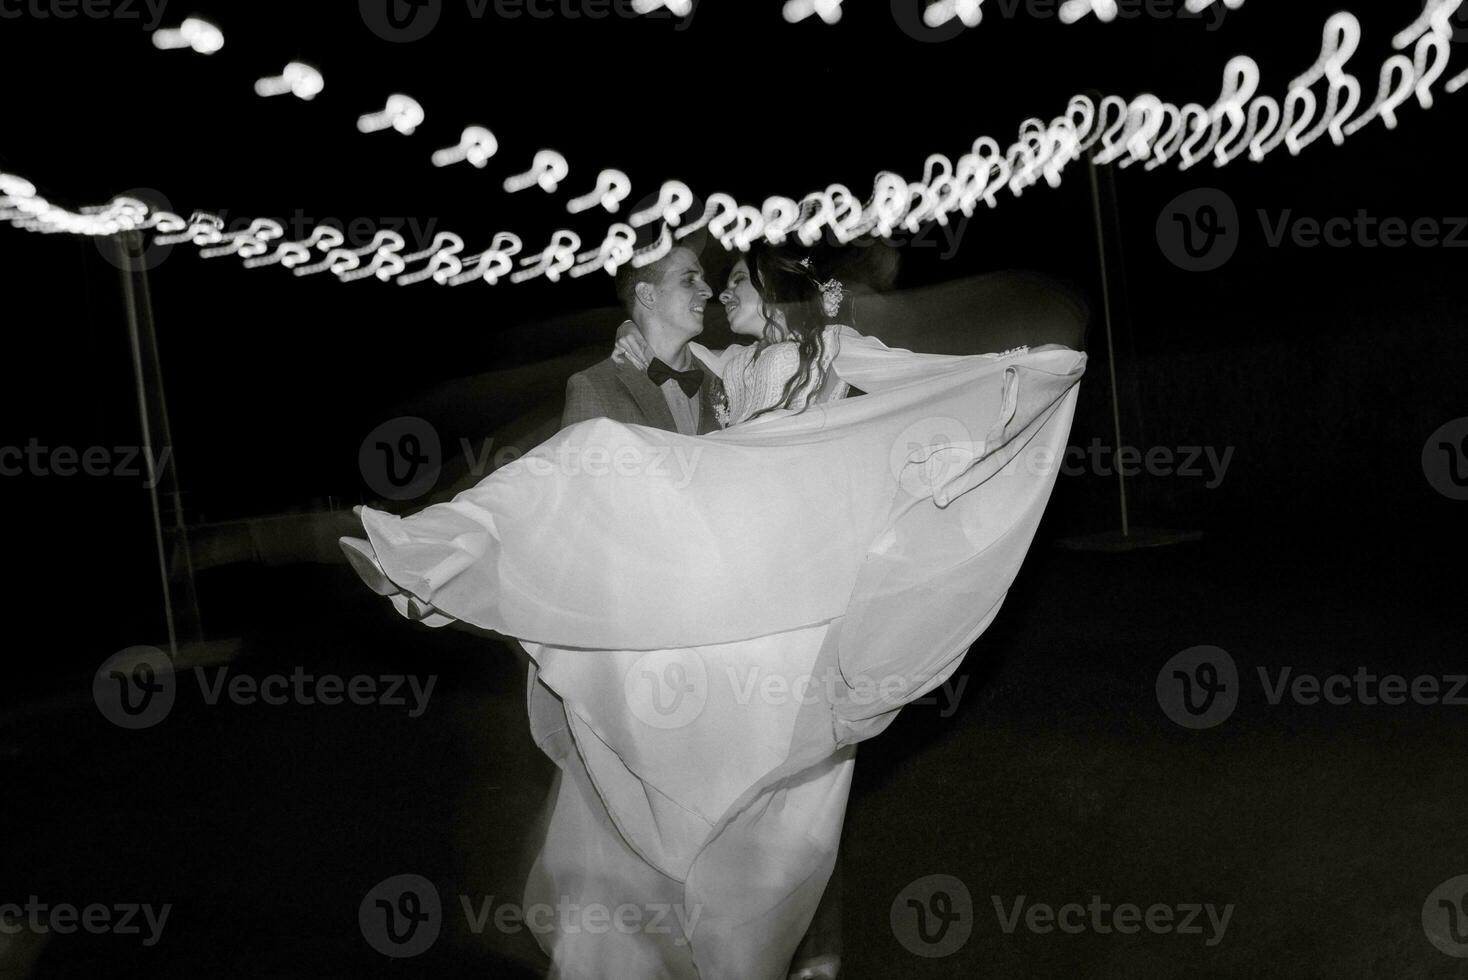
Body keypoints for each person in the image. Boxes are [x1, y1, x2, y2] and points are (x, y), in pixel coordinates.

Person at [340, 241, 1088, 979]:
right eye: (702, 280)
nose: (719, 295)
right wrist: (632, 347)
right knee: (719, 770)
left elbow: (911, 382)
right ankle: (439, 549)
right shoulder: (725, 366)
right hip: (725, 592)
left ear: (775, 291)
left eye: (733, 282)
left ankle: (781, 942)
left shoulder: (830, 350)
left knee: (789, 780)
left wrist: (1015, 377)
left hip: (786, 587)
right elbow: (665, 400)